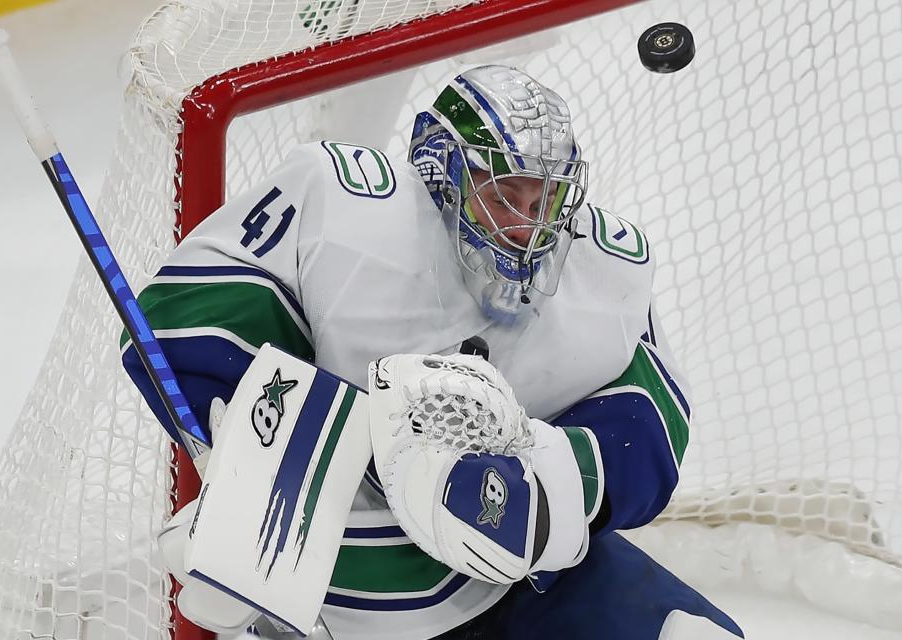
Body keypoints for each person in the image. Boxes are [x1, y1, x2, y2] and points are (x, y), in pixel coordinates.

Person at [122, 65, 743, 640]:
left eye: (544, 202)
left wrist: (549, 489)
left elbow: (647, 417)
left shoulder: (602, 267)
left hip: (523, 577)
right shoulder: (344, 209)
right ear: (442, 172)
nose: (527, 230)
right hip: (354, 591)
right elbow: (184, 319)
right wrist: (263, 479)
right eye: (502, 197)